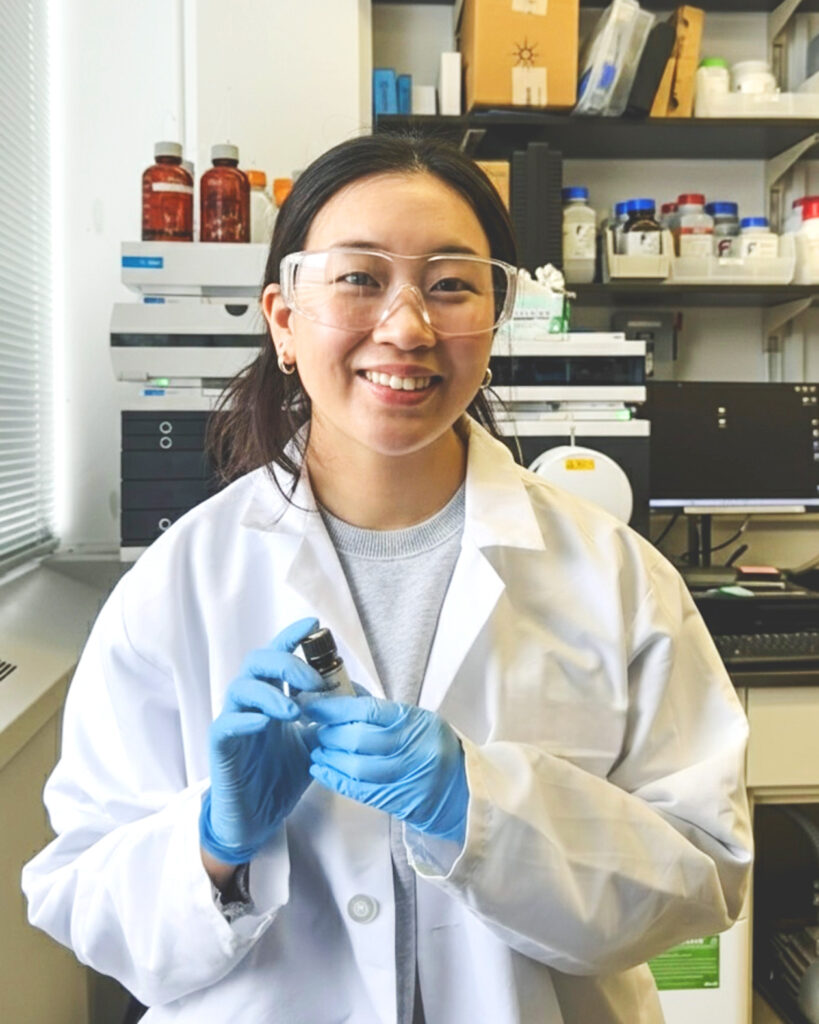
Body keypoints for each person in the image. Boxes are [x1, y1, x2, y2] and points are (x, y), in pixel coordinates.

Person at [22, 133, 752, 1024]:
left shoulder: (615, 577)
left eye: (449, 284)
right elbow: (85, 898)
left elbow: (702, 874)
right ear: (284, 320)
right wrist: (215, 841)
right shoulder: (179, 581)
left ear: (495, 318)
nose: (406, 327)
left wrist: (480, 808)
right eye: (359, 279)